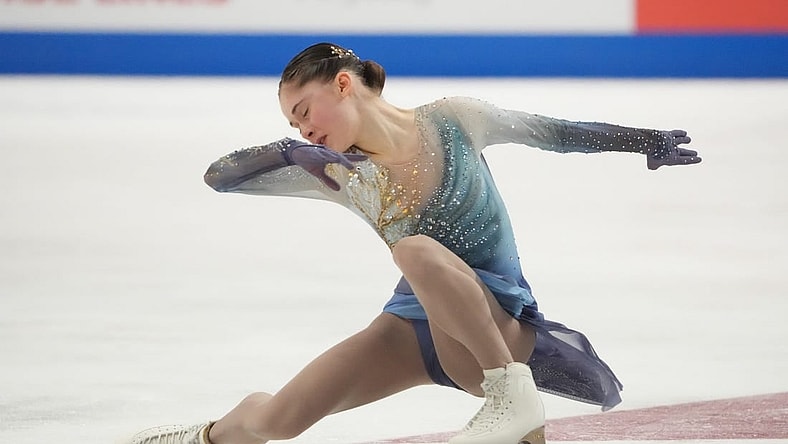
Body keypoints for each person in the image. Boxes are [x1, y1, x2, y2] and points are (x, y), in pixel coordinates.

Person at [129, 42, 701, 444]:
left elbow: (553, 133)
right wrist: (290, 154)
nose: (304, 129)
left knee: (414, 250)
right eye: (294, 126)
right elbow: (219, 176)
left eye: (304, 112)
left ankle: (511, 394)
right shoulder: (342, 172)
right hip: (409, 328)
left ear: (344, 85)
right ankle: (206, 437)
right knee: (282, 418)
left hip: (493, 328)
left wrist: (643, 140)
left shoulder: (455, 118)